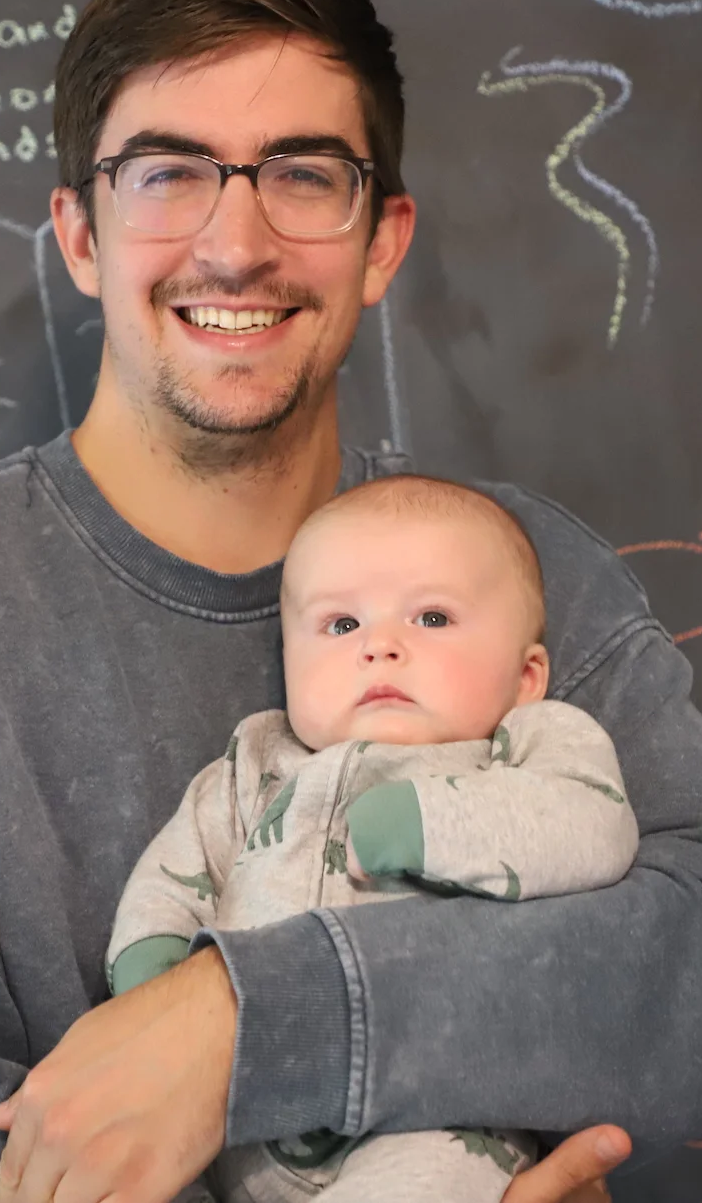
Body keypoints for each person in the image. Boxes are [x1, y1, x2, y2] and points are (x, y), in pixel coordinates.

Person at [0, 0, 702, 1203]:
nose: (235, 243)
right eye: (166, 173)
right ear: (80, 235)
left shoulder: (515, 564)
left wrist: (238, 1022)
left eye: (303, 174)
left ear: (381, 238)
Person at [105, 474, 641, 1203]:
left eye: (431, 616)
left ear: (526, 675)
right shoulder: (253, 763)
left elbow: (594, 827)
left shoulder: (527, 746)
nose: (381, 647)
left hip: (433, 1115)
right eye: (341, 626)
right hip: (238, 1122)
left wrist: (428, 823)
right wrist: (151, 971)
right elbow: (179, 868)